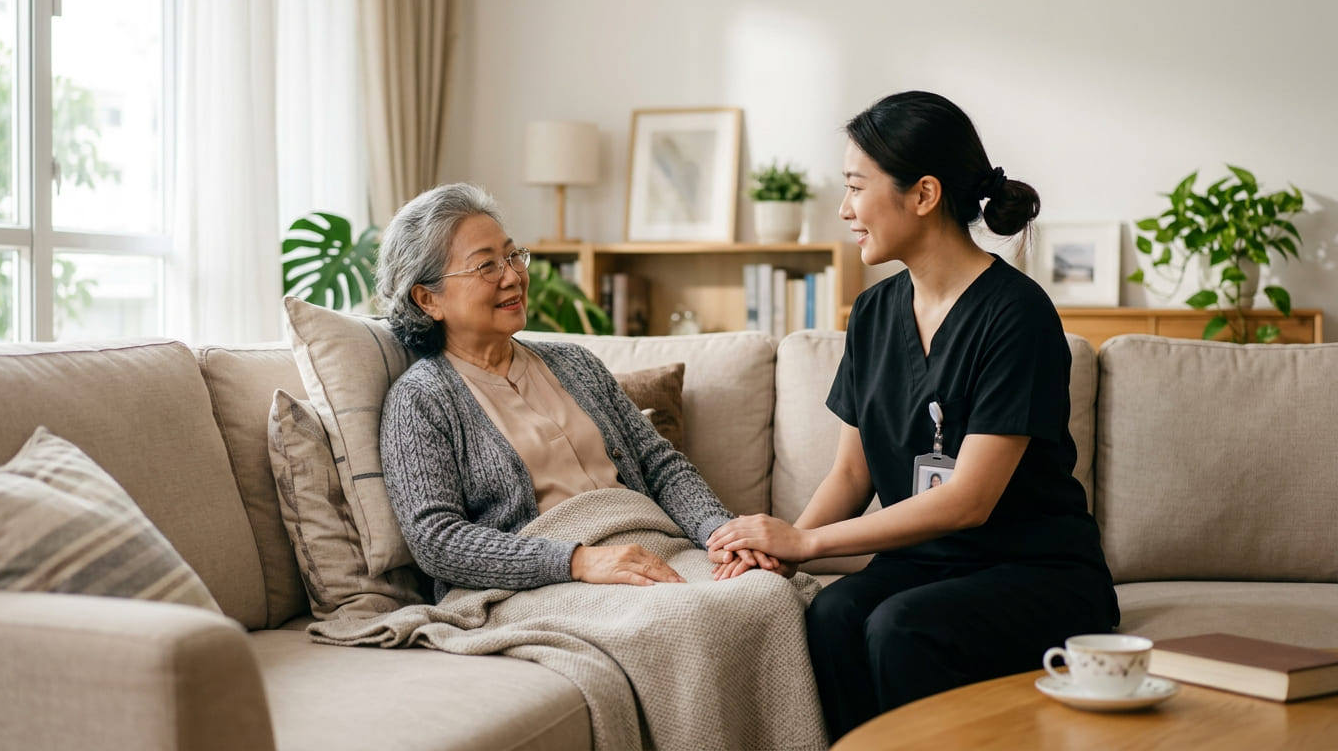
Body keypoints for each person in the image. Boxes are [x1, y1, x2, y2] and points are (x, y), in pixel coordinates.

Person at [707, 91, 1120, 740]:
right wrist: (782, 550)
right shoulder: (872, 315)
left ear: (923, 194)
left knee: (900, 629)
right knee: (832, 615)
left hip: (1034, 570)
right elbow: (851, 472)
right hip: (926, 565)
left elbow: (968, 502)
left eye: (855, 187)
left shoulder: (1016, 314)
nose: (844, 210)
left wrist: (809, 544)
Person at [373, 182, 777, 600]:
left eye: (513, 256)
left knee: (768, 590)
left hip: (651, 546)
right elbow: (437, 541)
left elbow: (660, 465)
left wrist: (722, 535)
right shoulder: (419, 401)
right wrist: (578, 561)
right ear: (427, 299)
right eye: (486, 267)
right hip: (542, 581)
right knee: (696, 613)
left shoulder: (575, 363)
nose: (513, 277)